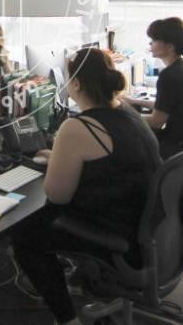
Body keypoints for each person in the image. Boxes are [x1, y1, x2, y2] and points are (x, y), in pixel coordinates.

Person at [11, 48, 161, 325]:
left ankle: (68, 318)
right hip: (145, 231)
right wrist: (60, 156)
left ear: (77, 84)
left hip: (116, 239)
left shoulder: (76, 127)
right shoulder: (127, 112)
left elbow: (57, 195)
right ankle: (77, 280)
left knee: (25, 234)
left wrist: (58, 159)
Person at [126, 17, 183, 160]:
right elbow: (168, 105)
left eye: (154, 39)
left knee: (129, 147)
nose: (150, 43)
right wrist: (134, 101)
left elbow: (156, 121)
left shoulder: (169, 75)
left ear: (170, 46)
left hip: (182, 149)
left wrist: (124, 116)